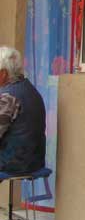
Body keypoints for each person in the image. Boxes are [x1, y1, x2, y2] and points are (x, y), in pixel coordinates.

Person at [0, 46, 46, 175]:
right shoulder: (29, 89)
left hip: (14, 161)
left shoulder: (8, 97)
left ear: (3, 73)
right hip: (34, 160)